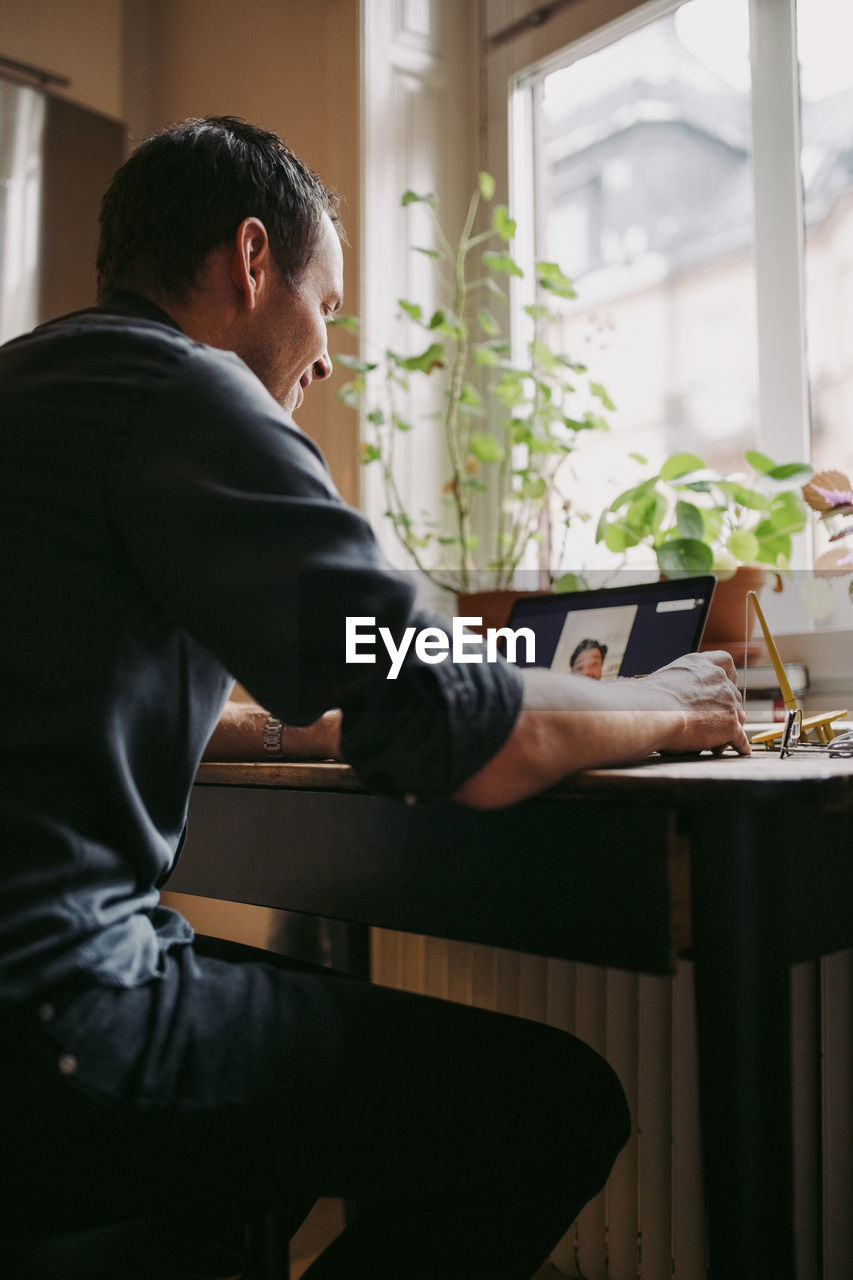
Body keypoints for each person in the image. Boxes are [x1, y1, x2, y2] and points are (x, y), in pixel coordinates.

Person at [0, 116, 748, 1279]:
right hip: (53, 1021)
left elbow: (158, 693)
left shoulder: (40, 389)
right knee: (555, 1107)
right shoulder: (184, 391)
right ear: (252, 261)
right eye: (329, 309)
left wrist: (341, 703)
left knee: (289, 1073)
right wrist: (674, 703)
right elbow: (457, 715)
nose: (330, 358)